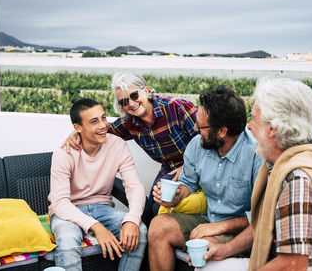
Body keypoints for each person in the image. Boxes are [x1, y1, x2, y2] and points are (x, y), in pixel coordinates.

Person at [199, 77, 312, 270]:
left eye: (254, 119)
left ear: (274, 129)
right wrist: (225, 249)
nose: (248, 126)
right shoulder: (302, 157)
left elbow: (291, 264)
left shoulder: (298, 180)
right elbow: (263, 225)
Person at [148, 85, 263, 271]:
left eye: (200, 126)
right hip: (208, 221)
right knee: (159, 226)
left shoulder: (256, 155)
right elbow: (188, 183)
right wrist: (176, 195)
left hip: (244, 232)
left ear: (222, 132)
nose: (194, 129)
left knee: (205, 246)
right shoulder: (197, 145)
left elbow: (263, 217)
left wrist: (220, 227)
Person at [63, 73, 198, 225]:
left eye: (134, 95)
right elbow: (102, 130)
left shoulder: (177, 108)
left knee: (159, 208)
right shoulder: (130, 122)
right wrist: (76, 133)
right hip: (169, 170)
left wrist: (187, 167)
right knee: (147, 209)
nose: (131, 103)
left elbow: (208, 139)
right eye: (125, 101)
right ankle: (151, 244)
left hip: (198, 166)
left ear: (146, 90)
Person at [48, 98, 147, 271]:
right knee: (68, 240)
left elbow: (134, 187)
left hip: (102, 208)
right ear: (78, 128)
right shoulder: (63, 153)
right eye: (94, 121)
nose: (102, 125)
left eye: (103, 118)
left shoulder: (117, 145)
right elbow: (60, 203)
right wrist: (95, 226)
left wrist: (132, 219)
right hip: (69, 211)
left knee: (140, 231)